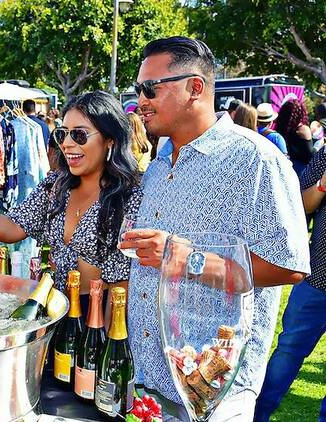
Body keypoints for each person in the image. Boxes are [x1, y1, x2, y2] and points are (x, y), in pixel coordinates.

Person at [120, 36, 309, 421]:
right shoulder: (158, 165)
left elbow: (289, 266)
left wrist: (180, 256)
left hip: (213, 391)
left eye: (150, 88)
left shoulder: (256, 160)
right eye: (139, 89)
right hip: (151, 379)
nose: (140, 100)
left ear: (195, 88)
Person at [0, 90, 142, 303]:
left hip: (97, 314)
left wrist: (105, 334)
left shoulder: (127, 196)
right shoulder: (56, 185)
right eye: (62, 134)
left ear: (110, 140)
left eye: (79, 135)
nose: (66, 143)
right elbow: (13, 227)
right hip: (53, 305)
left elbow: (121, 284)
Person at [254, 147, 326, 422]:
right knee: (288, 350)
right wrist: (322, 186)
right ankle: (255, 415)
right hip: (318, 278)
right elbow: (298, 207)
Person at [275, 99, 313, 175]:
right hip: (300, 171)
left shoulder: (279, 129)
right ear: (301, 113)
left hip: (282, 168)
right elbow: (310, 156)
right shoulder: (303, 130)